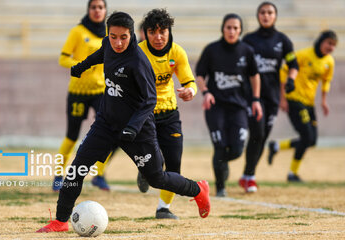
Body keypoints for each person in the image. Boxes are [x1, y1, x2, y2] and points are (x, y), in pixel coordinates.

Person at [36, 12, 210, 233]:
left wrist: (132, 127)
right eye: (113, 36)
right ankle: (60, 221)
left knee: (156, 178)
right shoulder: (108, 44)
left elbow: (149, 100)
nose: (118, 43)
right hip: (106, 124)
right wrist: (81, 67)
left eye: (123, 37)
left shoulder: (138, 62)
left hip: (137, 130)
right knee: (76, 169)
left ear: (132, 36)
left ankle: (197, 189)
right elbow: (101, 54)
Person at [133, 9, 198, 219]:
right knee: (155, 162)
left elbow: (189, 81)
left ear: (169, 31)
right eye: (153, 32)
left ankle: (163, 208)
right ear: (145, 33)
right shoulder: (137, 53)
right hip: (145, 114)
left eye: (163, 31)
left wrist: (191, 91)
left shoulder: (177, 52)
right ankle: (145, 170)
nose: (158, 37)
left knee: (174, 163)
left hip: (169, 112)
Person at [196, 13, 262, 197]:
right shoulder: (211, 50)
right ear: (223, 29)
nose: (232, 31)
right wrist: (205, 92)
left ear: (240, 30)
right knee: (219, 146)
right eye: (228, 27)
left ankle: (221, 163)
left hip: (239, 107)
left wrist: (256, 100)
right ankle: (220, 188)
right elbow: (200, 74)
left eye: (235, 28)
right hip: (216, 107)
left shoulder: (246, 51)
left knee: (237, 150)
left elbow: (255, 75)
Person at [239, 1, 299, 193]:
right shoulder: (248, 40)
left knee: (262, 137)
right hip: (253, 96)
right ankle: (250, 176)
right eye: (263, 12)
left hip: (272, 97)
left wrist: (291, 79)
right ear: (258, 16)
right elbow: (238, 63)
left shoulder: (283, 40)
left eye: (270, 12)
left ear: (275, 16)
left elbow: (294, 65)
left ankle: (248, 174)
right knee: (257, 132)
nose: (266, 15)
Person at [52, 0, 111, 191]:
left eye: (100, 7)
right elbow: (63, 58)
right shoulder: (78, 32)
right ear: (88, 10)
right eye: (93, 7)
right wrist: (81, 65)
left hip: (100, 91)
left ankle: (99, 175)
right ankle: (59, 175)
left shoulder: (110, 34)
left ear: (105, 11)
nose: (97, 11)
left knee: (109, 132)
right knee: (71, 136)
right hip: (78, 92)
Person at [268, 30, 337, 182]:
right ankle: (292, 174)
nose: (331, 47)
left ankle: (276, 146)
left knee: (312, 141)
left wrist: (324, 101)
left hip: (309, 103)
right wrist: (283, 98)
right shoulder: (304, 55)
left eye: (334, 45)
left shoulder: (329, 62)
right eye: (329, 43)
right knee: (306, 136)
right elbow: (284, 71)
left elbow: (326, 81)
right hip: (295, 99)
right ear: (321, 41)